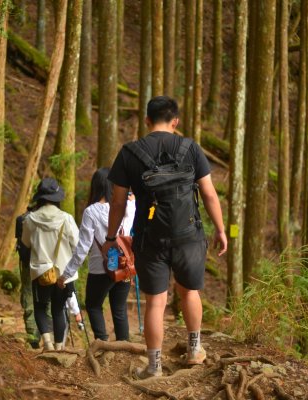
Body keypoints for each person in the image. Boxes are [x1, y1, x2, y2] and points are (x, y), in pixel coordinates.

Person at [103, 96, 228, 378]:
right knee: (189, 292)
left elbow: (118, 202)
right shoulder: (190, 148)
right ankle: (195, 350)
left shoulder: (129, 153)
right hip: (188, 234)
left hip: (150, 237)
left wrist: (112, 237)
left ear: (146, 120)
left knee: (156, 301)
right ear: (176, 121)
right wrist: (220, 229)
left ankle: (154, 366)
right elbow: (208, 194)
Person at [57, 168, 133, 341]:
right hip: (125, 265)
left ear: (96, 186)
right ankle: (123, 347)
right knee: (119, 308)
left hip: (102, 268)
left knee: (93, 305)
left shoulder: (92, 212)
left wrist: (66, 275)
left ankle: (102, 343)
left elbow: (83, 247)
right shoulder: (127, 207)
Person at [21, 178, 79, 351]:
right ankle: (59, 347)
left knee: (40, 307)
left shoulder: (30, 220)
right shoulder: (66, 219)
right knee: (58, 309)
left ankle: (47, 344)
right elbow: (77, 244)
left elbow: (26, 243)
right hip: (63, 274)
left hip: (41, 272)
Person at [15, 210, 42, 349]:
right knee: (44, 300)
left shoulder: (22, 219)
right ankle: (44, 335)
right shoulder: (50, 218)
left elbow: (20, 244)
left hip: (27, 266)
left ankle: (33, 338)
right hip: (46, 267)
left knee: (28, 298)